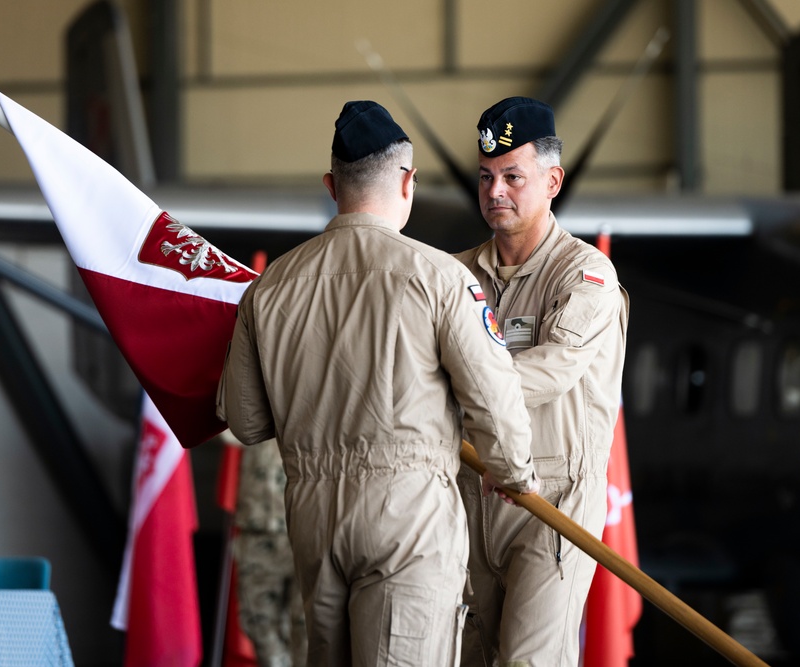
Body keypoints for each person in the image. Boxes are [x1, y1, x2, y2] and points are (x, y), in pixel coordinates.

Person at [218, 100, 540, 667]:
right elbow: (496, 402)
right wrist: (515, 476)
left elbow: (244, 422)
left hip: (313, 519)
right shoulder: (441, 277)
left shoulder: (269, 288)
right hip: (407, 521)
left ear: (330, 185)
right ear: (408, 182)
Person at [454, 96, 630, 666]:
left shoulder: (586, 275)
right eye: (485, 178)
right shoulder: (453, 277)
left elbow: (552, 369)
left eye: (512, 176)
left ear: (553, 181)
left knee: (530, 662)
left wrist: (444, 391)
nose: (495, 191)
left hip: (551, 502)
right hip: (469, 497)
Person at [231, 436, 306, 667]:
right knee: (258, 621)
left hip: (305, 530)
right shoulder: (254, 404)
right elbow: (222, 425)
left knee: (307, 626)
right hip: (258, 527)